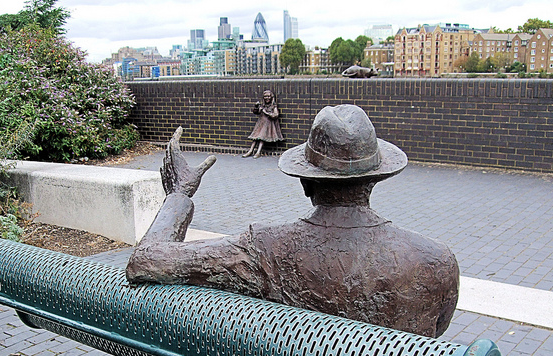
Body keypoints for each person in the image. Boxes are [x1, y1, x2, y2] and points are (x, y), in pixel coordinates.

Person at [127, 105, 459, 338]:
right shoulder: (437, 260)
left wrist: (178, 196)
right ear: (375, 178)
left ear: (305, 183)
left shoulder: (265, 249)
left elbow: (145, 261)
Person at [242, 90, 284, 158]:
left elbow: (276, 115)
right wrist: (256, 107)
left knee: (262, 137)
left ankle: (258, 152)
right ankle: (250, 151)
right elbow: (257, 112)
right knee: (255, 137)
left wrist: (266, 112)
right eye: (265, 96)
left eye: (268, 96)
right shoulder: (262, 105)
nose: (267, 98)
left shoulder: (273, 106)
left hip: (267, 123)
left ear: (271, 97)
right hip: (260, 123)